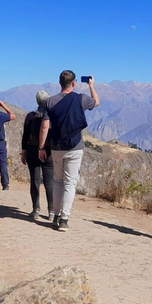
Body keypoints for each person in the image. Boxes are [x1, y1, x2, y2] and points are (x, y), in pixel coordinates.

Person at [38, 71, 100, 232]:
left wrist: (41, 147)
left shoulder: (50, 102)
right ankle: (64, 219)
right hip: (75, 147)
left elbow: (45, 126)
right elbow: (97, 102)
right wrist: (91, 86)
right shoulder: (81, 99)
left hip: (56, 147)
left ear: (60, 83)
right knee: (70, 183)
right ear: (73, 83)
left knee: (58, 181)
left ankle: (56, 215)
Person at [20, 91, 53, 220]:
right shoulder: (51, 115)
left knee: (35, 181)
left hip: (33, 151)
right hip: (48, 151)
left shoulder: (31, 116)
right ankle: (51, 212)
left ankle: (36, 209)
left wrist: (24, 152)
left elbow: (25, 136)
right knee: (50, 182)